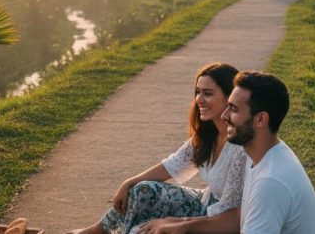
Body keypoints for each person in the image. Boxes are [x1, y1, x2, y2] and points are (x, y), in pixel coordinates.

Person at [66, 63, 246, 234]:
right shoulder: (208, 133)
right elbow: (172, 165)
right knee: (142, 190)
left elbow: (231, 213)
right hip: (203, 201)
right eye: (197, 92)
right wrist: (129, 182)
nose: (199, 99)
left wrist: (178, 223)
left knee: (141, 231)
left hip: (218, 220)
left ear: (230, 97)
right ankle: (97, 231)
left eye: (207, 93)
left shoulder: (239, 146)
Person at [221, 71, 315, 234]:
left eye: (233, 109)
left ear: (260, 119)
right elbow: (242, 218)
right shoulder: (265, 154)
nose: (223, 115)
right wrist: (183, 225)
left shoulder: (270, 181)